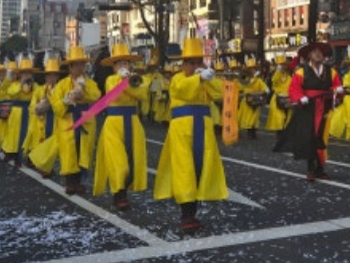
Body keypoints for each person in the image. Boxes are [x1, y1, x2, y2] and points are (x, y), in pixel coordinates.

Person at [153, 37, 229, 232]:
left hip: (203, 128)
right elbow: (182, 90)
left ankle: (193, 210)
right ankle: (187, 213)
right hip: (181, 130)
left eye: (198, 62)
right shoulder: (178, 78)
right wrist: (199, 78)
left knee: (201, 167)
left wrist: (208, 78)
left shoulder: (203, 80)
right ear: (183, 64)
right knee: (184, 168)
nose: (195, 66)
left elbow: (221, 94)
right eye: (191, 62)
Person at [37, 45, 101, 195]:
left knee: (83, 150)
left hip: (85, 119)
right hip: (68, 120)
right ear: (70, 67)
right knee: (69, 151)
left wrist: (83, 91)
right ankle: (70, 182)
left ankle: (79, 181)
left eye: (82, 64)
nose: (80, 68)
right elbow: (56, 106)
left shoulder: (90, 82)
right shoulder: (62, 85)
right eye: (76, 65)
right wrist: (66, 101)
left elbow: (97, 96)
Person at [92, 42, 149, 211]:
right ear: (114, 67)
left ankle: (123, 192)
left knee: (133, 161)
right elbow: (113, 90)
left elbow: (142, 94)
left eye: (126, 62)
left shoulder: (138, 79)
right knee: (119, 161)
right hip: (114, 123)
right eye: (119, 63)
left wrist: (128, 81)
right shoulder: (111, 79)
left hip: (132, 121)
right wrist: (122, 79)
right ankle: (119, 194)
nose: (123, 65)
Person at [276, 41, 341, 181]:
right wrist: (300, 97)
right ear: (309, 56)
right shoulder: (301, 71)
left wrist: (338, 91)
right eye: (314, 52)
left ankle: (320, 168)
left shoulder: (331, 71)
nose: (318, 54)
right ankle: (311, 169)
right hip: (307, 108)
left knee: (321, 138)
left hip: (324, 107)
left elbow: (337, 87)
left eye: (320, 52)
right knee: (310, 138)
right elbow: (294, 89)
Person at [24, 54, 61, 177]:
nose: (51, 78)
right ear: (45, 76)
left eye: (54, 75)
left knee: (55, 143)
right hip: (43, 121)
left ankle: (48, 166)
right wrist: (39, 107)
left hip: (57, 119)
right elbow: (32, 106)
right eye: (49, 75)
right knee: (43, 142)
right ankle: (44, 167)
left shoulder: (61, 88)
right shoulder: (39, 90)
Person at [0, 56, 38, 167]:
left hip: (30, 112)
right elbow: (12, 94)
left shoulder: (35, 86)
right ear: (20, 74)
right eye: (24, 73)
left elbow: (39, 94)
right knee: (14, 134)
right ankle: (13, 154)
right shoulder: (15, 85)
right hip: (17, 112)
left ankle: (29, 157)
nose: (27, 75)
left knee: (30, 134)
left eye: (29, 73)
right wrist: (21, 84)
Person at [237, 57, 268, 140]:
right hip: (248, 100)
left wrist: (265, 89)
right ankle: (250, 133)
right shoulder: (244, 78)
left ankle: (253, 132)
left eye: (254, 68)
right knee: (248, 117)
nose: (252, 70)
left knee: (255, 117)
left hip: (256, 99)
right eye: (250, 69)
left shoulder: (258, 79)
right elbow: (241, 86)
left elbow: (262, 85)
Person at [265, 59, 292, 133]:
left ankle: (285, 134)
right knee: (278, 118)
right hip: (277, 99)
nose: (283, 67)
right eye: (281, 65)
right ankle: (279, 134)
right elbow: (274, 80)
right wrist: (278, 71)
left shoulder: (289, 76)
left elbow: (291, 86)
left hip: (287, 99)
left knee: (287, 117)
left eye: (284, 65)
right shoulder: (276, 75)